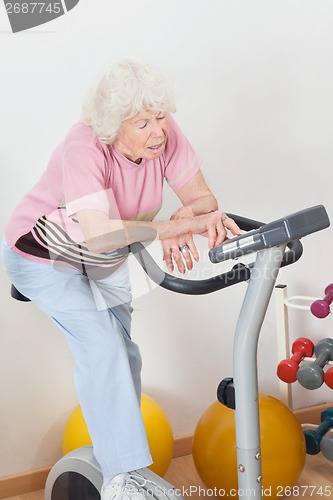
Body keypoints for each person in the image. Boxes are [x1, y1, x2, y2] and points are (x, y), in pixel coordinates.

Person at [1, 60, 240, 500]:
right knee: (102, 344)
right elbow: (100, 233)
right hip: (43, 252)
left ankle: (122, 469)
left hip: (109, 250)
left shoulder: (164, 135)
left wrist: (186, 215)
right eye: (143, 122)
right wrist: (170, 230)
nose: (158, 131)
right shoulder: (84, 146)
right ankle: (121, 476)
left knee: (124, 352)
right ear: (112, 127)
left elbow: (203, 198)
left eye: (161, 117)